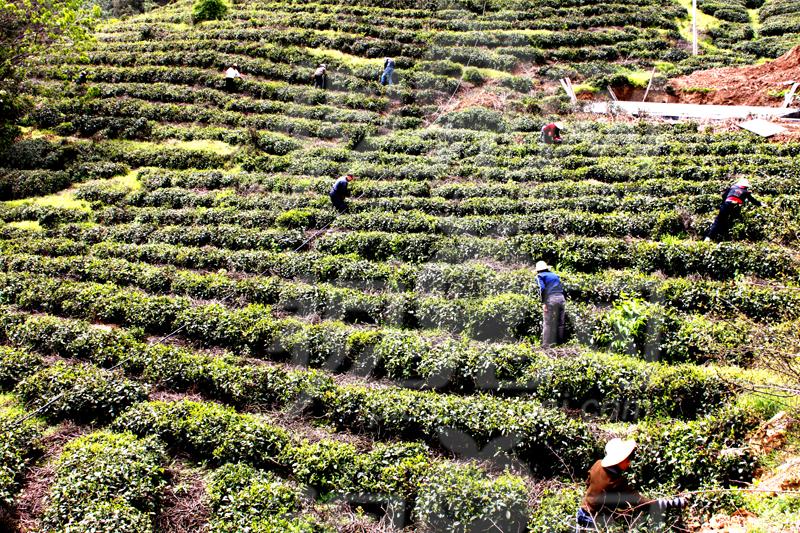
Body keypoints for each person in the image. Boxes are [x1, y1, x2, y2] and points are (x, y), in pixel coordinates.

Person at [576, 438, 687, 531]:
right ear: (619, 460)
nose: (629, 462)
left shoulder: (598, 464)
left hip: (582, 511)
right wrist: (672, 503)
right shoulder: (616, 481)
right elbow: (640, 501)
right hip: (593, 520)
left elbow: (588, 483)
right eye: (627, 459)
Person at [704, 177, 764, 242]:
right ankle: (728, 239)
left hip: (726, 205)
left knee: (718, 221)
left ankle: (709, 238)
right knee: (731, 221)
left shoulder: (732, 188)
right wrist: (761, 204)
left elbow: (723, 196)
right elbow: (753, 201)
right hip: (736, 207)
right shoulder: (746, 192)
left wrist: (723, 204)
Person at [535, 261, 565, 348]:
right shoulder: (555, 275)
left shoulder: (539, 276)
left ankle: (545, 345)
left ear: (538, 270)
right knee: (560, 322)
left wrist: (544, 302)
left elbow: (542, 288)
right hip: (561, 298)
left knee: (547, 322)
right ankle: (560, 343)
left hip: (551, 299)